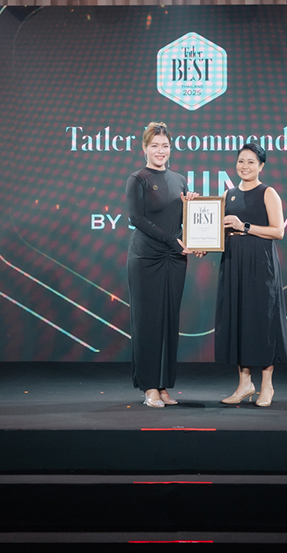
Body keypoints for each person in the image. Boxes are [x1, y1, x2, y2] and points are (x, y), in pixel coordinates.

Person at [125, 121, 202, 408]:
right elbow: (137, 219)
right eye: (155, 145)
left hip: (175, 258)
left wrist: (192, 205)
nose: (160, 151)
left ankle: (164, 385)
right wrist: (172, 241)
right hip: (146, 257)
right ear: (145, 148)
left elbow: (183, 221)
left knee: (169, 321)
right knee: (147, 322)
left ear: (171, 149)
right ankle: (148, 388)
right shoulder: (138, 178)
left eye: (165, 146)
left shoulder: (180, 179)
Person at [215, 142, 287, 407]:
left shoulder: (268, 192)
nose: (244, 166)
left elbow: (278, 231)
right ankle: (245, 383)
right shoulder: (228, 195)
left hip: (261, 263)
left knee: (263, 319)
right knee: (239, 319)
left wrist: (243, 226)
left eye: (250, 162)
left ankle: (267, 385)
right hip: (234, 262)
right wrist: (202, 244)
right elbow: (219, 232)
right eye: (240, 161)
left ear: (261, 166)